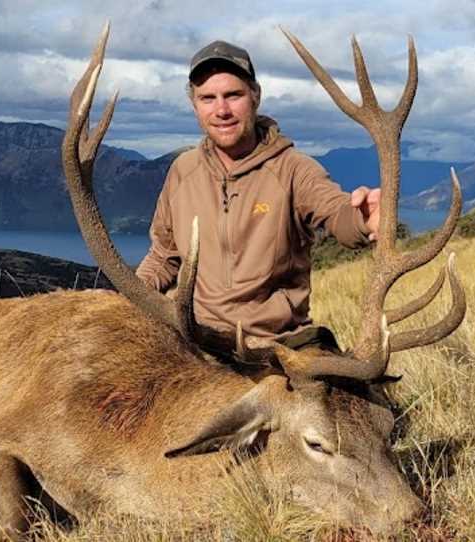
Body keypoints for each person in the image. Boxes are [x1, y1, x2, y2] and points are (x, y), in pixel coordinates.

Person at [136, 40, 381, 351]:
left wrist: (363, 219)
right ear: (194, 105)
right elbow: (163, 257)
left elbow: (336, 213)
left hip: (276, 347)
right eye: (208, 98)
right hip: (196, 344)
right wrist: (126, 297)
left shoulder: (293, 169)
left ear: (255, 96)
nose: (221, 110)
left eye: (233, 95)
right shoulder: (182, 172)